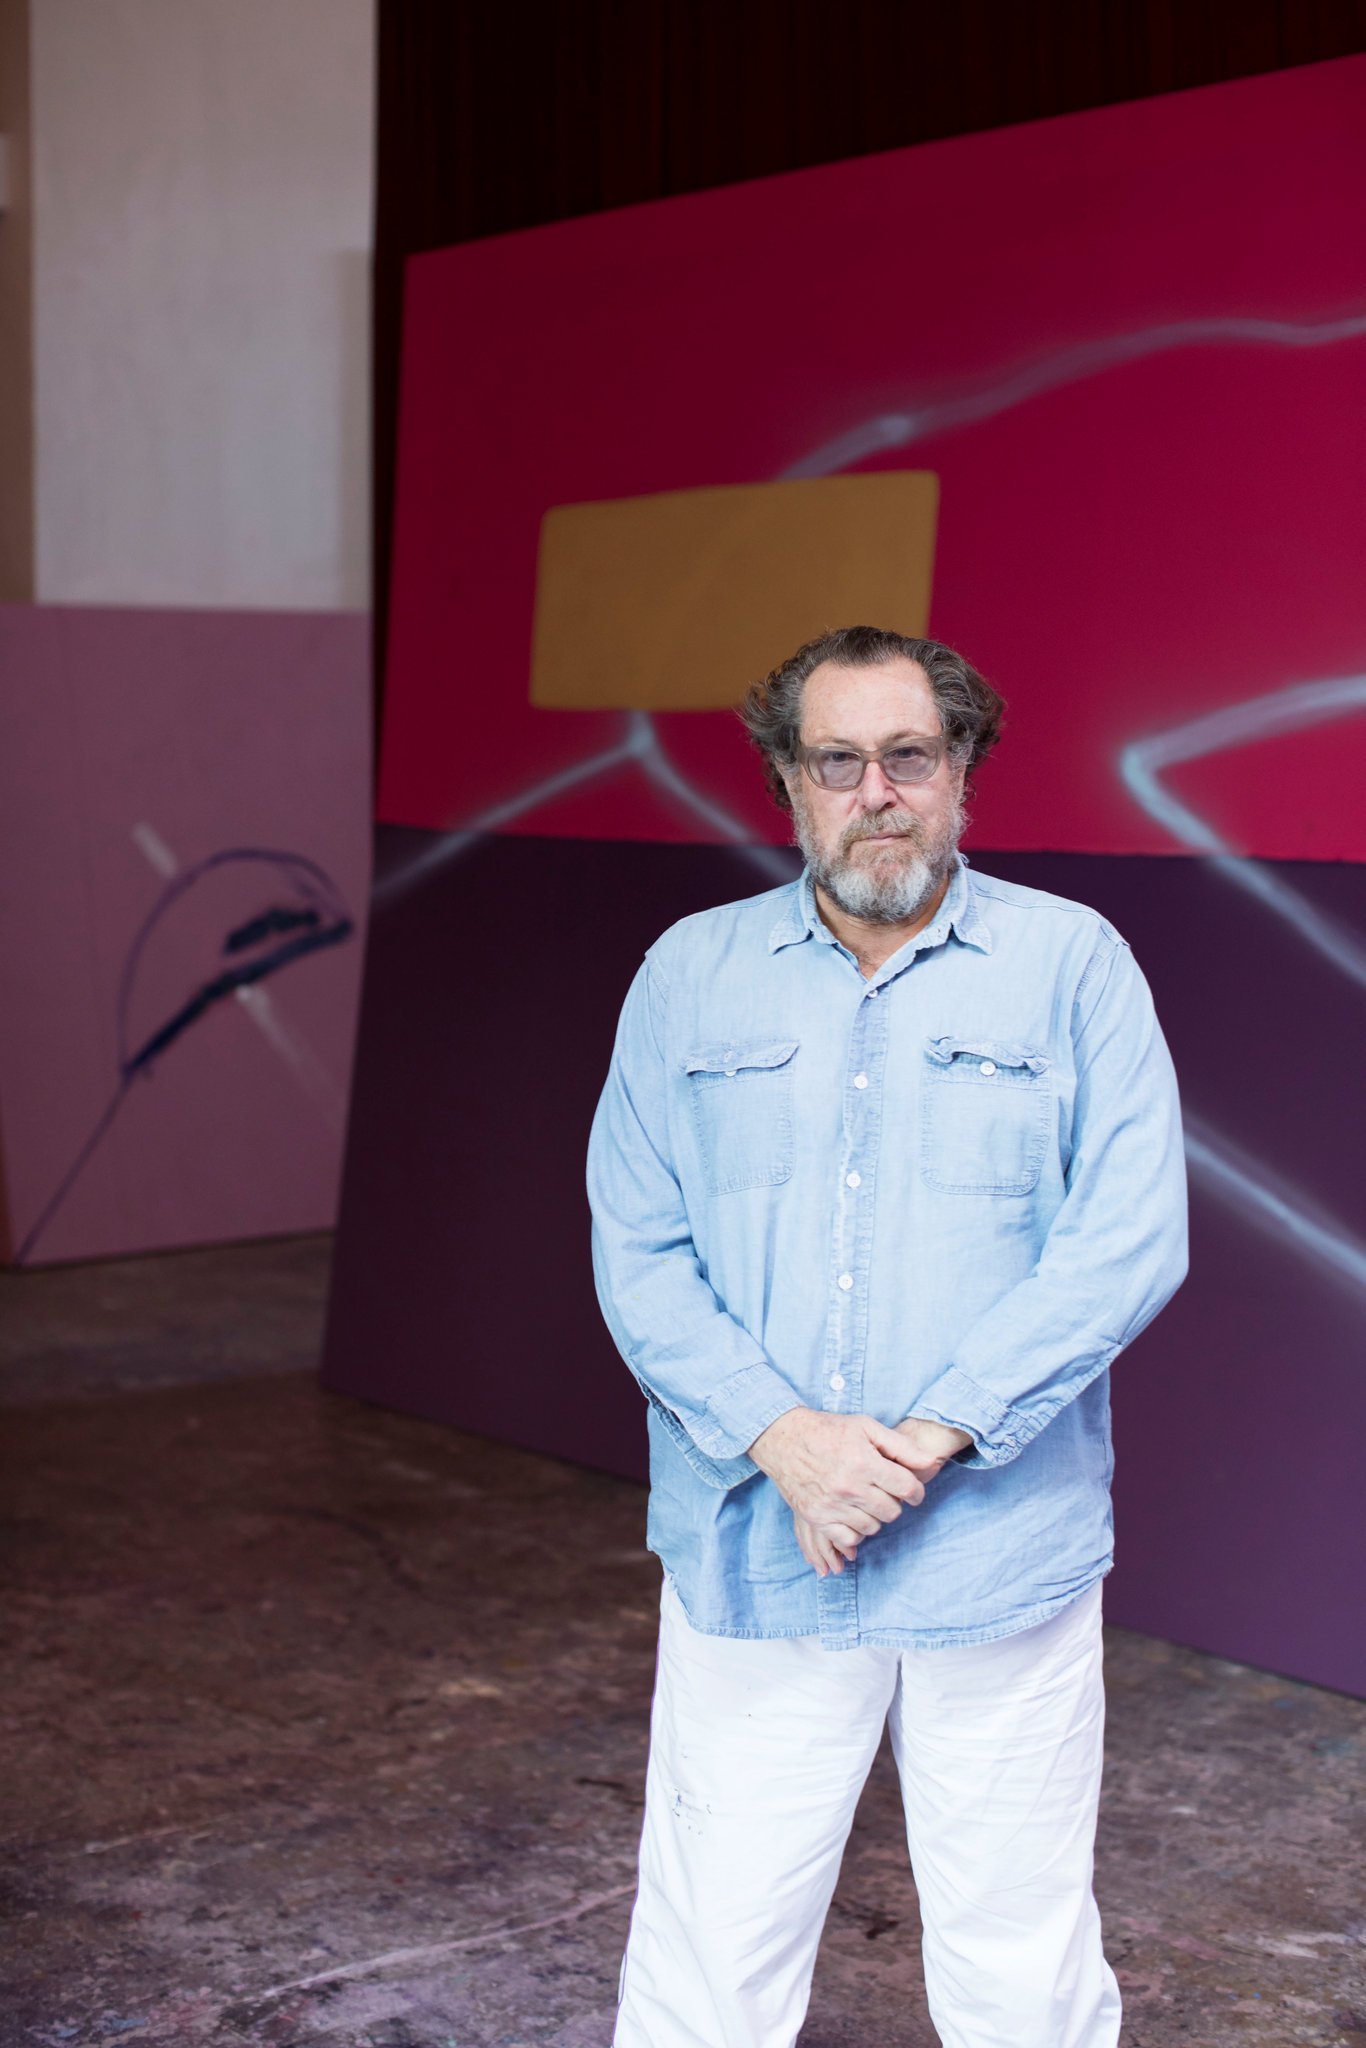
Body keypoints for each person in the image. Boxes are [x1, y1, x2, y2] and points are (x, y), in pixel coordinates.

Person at [586, 625, 1188, 2048]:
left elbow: (1125, 1238)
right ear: (789, 783)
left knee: (1017, 1953)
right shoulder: (689, 975)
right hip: (755, 1536)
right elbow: (638, 1247)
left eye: (909, 756)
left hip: (998, 1545)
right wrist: (788, 1442)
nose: (878, 792)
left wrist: (919, 1443)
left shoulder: (1071, 967)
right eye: (837, 760)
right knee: (709, 1951)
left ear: (960, 769)